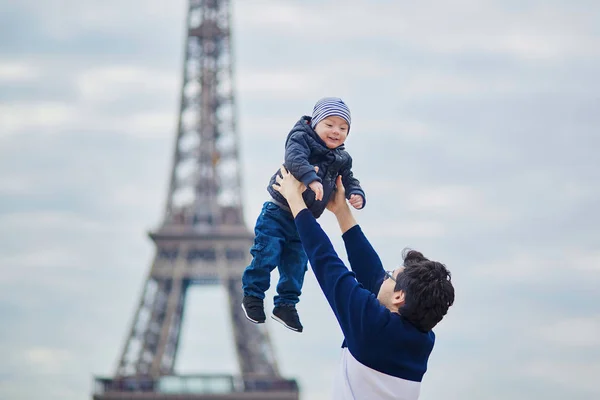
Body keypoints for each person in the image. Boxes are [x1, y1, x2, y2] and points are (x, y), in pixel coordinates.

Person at [271, 166, 455, 399]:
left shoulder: (371, 327)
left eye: (390, 275)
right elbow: (371, 275)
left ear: (400, 297)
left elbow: (327, 262)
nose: (383, 276)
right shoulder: (422, 338)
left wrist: (295, 200)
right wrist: (341, 211)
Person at [241, 97, 366, 333]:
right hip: (278, 213)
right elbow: (294, 159)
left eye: (343, 128)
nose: (336, 131)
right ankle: (253, 295)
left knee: (297, 265)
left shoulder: (341, 157)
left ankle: (286, 305)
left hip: (304, 220)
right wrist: (311, 178)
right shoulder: (301, 138)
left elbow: (349, 178)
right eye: (330, 124)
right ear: (315, 123)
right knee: (266, 254)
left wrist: (356, 193)